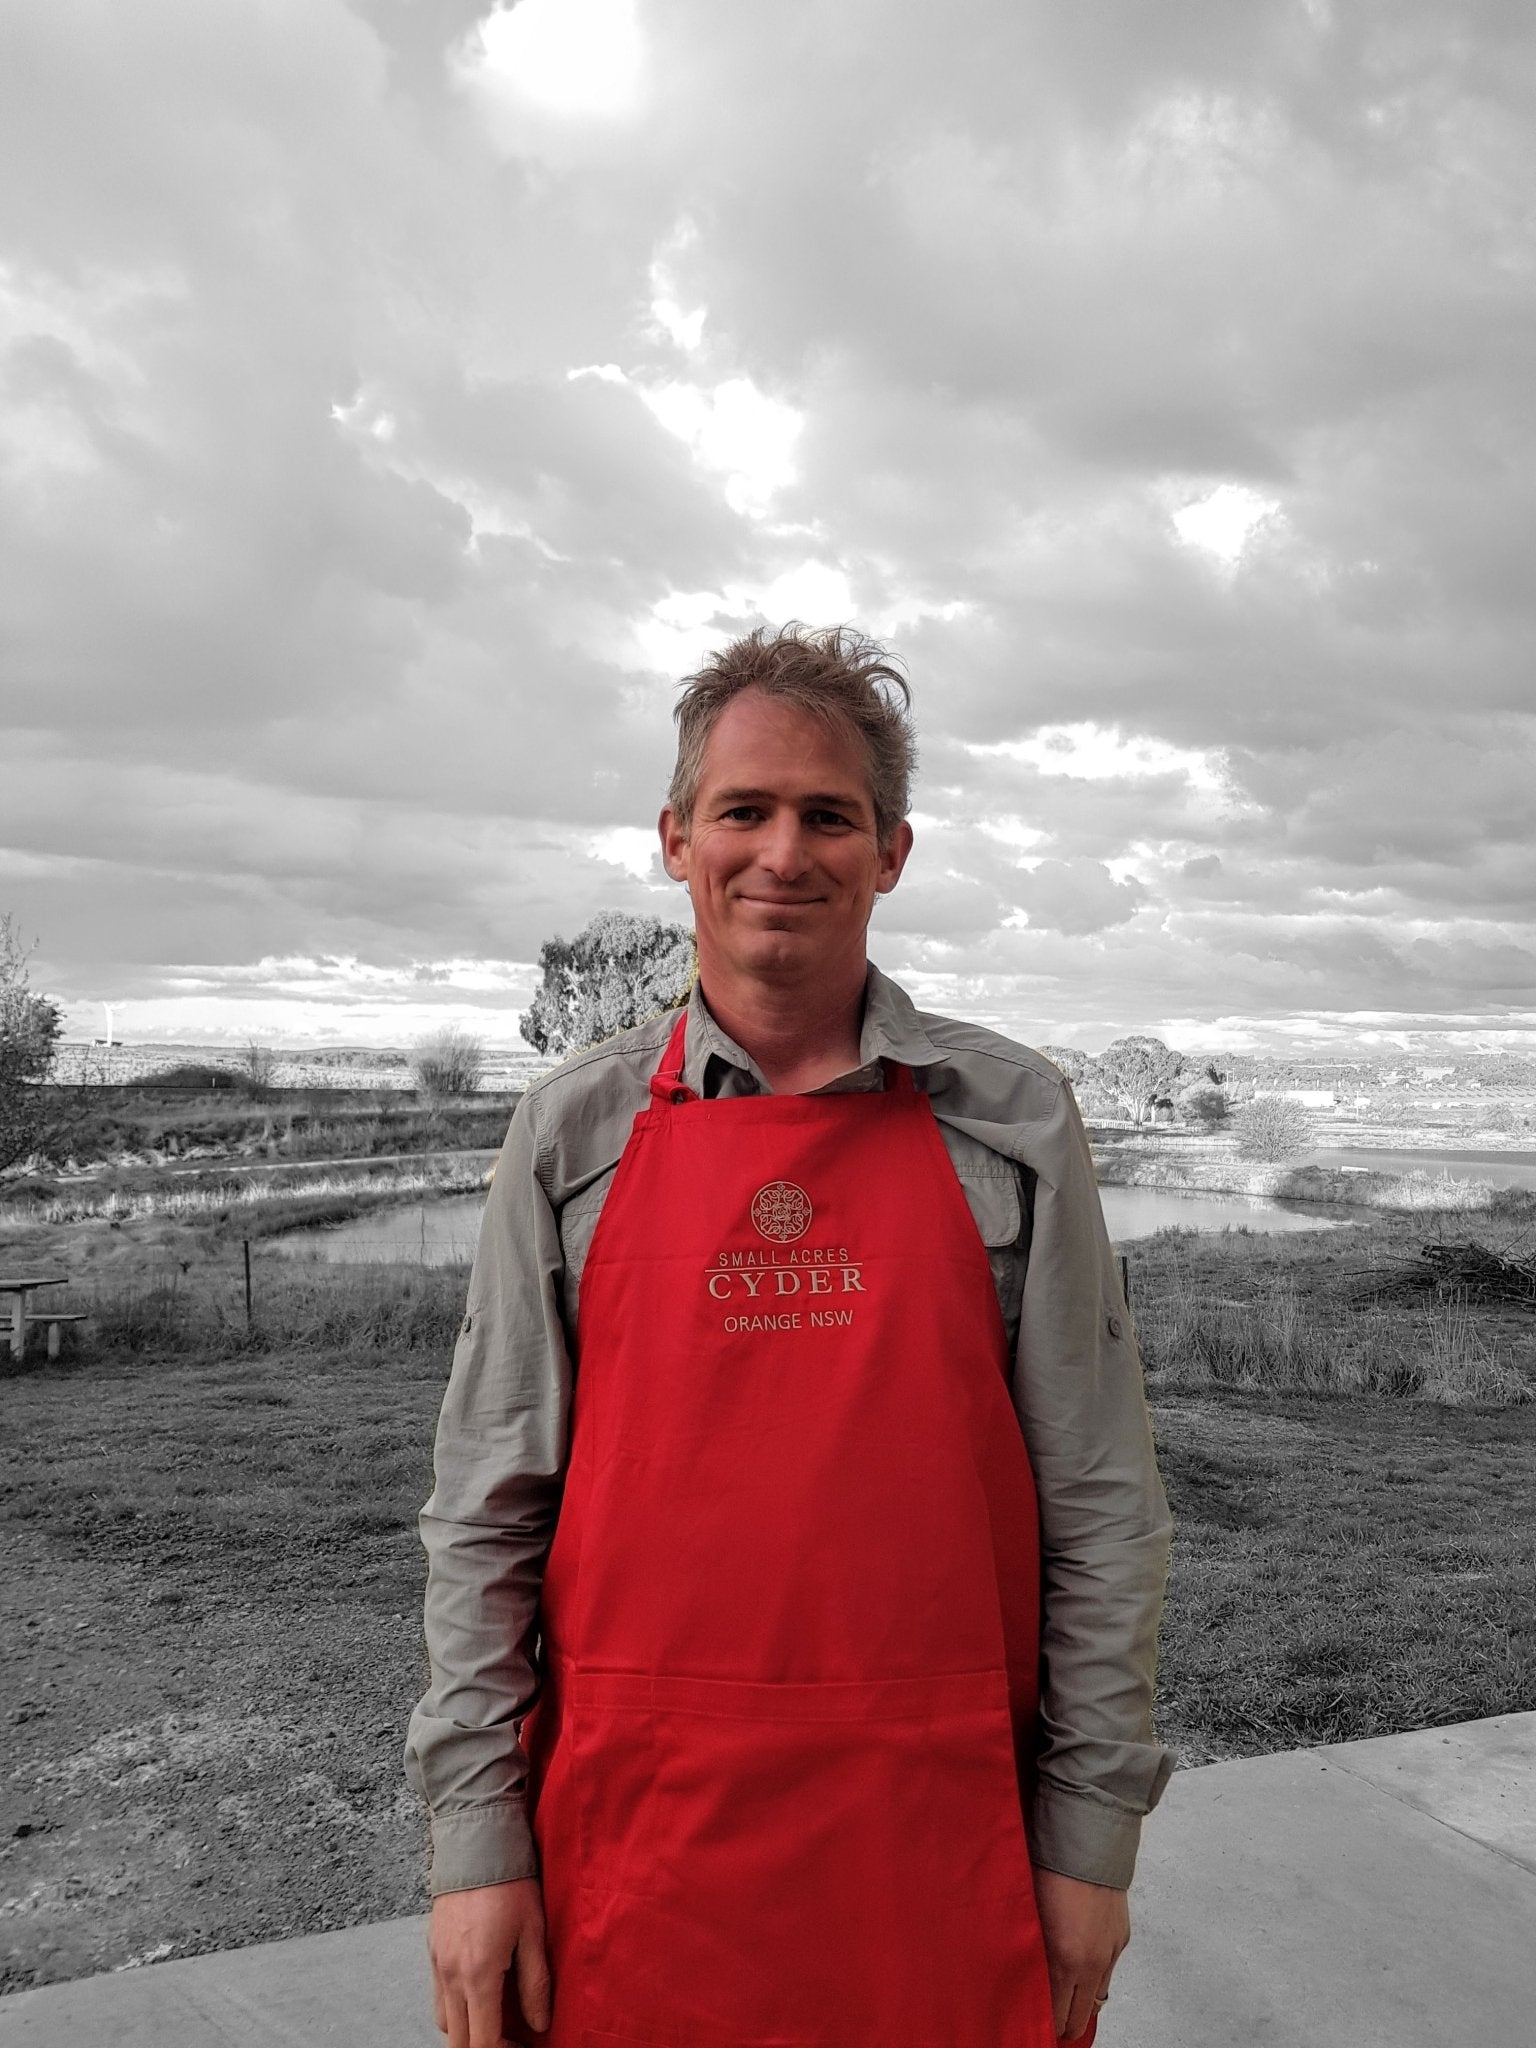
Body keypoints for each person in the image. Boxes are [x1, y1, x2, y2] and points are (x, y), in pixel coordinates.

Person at [406, 624, 1172, 2048]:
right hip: (632, 1836)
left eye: (829, 815)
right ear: (675, 839)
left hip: (940, 1832)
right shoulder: (568, 1132)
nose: (783, 851)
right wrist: (477, 1843)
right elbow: (487, 1506)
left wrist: (1087, 1834)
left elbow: (1104, 1507)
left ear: (891, 851)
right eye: (742, 810)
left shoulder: (1009, 1120)